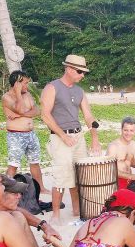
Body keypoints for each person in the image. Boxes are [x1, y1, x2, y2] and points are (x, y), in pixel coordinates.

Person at [40, 54, 101, 225]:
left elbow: (89, 116)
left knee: (78, 175)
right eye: (80, 71)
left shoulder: (79, 91)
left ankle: (77, 210)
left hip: (78, 136)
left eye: (84, 72)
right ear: (68, 68)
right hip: (60, 137)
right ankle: (56, 214)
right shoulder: (52, 87)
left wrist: (94, 138)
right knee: (61, 175)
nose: (83, 75)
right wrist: (62, 135)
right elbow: (45, 115)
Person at [0, 176, 63, 247]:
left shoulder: (2, 212)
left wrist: (44, 226)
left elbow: (18, 210)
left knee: (18, 216)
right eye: (14, 193)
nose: (19, 196)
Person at [1, 70, 45, 193]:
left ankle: (40, 188)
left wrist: (21, 115)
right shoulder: (7, 97)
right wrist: (18, 94)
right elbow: (20, 109)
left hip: (31, 134)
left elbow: (37, 110)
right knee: (14, 164)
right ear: (17, 84)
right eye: (24, 83)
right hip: (16, 135)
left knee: (35, 162)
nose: (27, 86)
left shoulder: (28, 95)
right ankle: (6, 191)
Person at [107, 117, 135, 190]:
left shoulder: (134, 145)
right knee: (133, 198)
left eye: (131, 130)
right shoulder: (113, 146)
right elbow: (110, 169)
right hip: (116, 181)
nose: (128, 133)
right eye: (126, 130)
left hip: (130, 180)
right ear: (121, 130)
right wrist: (132, 176)